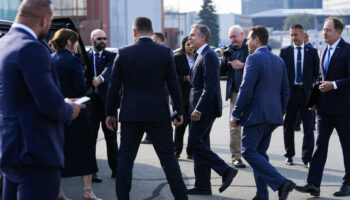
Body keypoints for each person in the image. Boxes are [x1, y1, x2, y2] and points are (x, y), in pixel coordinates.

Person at [0, 0, 84, 199]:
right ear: (44, 20)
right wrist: (69, 108)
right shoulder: (31, 48)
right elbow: (51, 105)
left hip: (10, 149)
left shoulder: (4, 43)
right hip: (35, 153)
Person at [105, 16, 188, 200]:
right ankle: (181, 197)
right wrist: (179, 111)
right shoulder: (165, 53)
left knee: (125, 160)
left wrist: (110, 112)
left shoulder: (123, 53)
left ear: (134, 32)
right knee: (168, 158)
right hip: (158, 114)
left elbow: (113, 86)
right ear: (152, 32)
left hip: (131, 114)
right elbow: (174, 85)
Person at [231, 25, 295, 200]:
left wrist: (236, 114)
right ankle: (261, 194)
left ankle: (282, 183)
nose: (246, 42)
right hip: (273, 116)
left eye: (249, 39)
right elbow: (286, 91)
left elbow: (245, 89)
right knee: (260, 153)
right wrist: (279, 112)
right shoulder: (278, 60)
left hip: (256, 116)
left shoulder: (253, 59)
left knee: (248, 152)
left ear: (256, 40)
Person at [295, 17, 350, 197]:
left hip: (344, 110)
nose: (324, 33)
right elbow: (320, 79)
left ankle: (347, 184)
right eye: (324, 30)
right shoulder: (323, 50)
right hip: (324, 110)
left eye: (328, 30)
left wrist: (334, 84)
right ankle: (313, 184)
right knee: (319, 147)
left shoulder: (348, 50)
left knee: (347, 147)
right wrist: (314, 101)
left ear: (339, 32)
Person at [49, 28, 101, 200]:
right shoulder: (72, 60)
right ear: (70, 41)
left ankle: (58, 191)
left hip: (56, 111)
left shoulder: (49, 58)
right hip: (76, 110)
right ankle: (87, 191)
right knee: (85, 149)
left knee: (58, 151)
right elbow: (80, 88)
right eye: (76, 41)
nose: (78, 45)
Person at [186, 24, 237, 195]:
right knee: (201, 144)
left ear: (203, 37)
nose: (189, 38)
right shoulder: (201, 55)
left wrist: (198, 109)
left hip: (204, 109)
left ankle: (225, 170)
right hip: (200, 108)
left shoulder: (208, 55)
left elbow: (210, 87)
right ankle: (203, 185)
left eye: (193, 35)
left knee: (194, 143)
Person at [279, 24, 319, 167]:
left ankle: (307, 158)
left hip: (307, 95)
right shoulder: (285, 52)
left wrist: (315, 96)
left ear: (303, 35)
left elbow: (317, 75)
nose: (294, 37)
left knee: (308, 127)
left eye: (296, 34)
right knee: (288, 125)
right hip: (290, 94)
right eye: (292, 35)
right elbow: (280, 75)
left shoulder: (312, 52)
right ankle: (289, 155)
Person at [87, 29, 118, 182]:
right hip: (91, 105)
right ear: (92, 40)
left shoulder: (111, 55)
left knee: (111, 138)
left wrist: (100, 78)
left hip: (108, 104)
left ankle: (116, 169)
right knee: (90, 139)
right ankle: (92, 172)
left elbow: (109, 70)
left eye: (105, 38)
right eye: (99, 38)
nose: (103, 41)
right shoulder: (84, 56)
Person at [220, 25, 249, 168]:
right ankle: (236, 157)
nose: (232, 40)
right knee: (234, 126)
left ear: (242, 35)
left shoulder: (250, 47)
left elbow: (258, 66)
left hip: (250, 92)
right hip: (234, 93)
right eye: (230, 37)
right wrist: (223, 58)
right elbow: (221, 72)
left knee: (251, 124)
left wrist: (242, 65)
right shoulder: (229, 49)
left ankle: (253, 155)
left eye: (234, 37)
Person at [140, 32, 167, 144]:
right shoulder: (158, 51)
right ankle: (150, 136)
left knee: (159, 114)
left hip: (162, 89)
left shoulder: (165, 52)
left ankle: (153, 136)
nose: (152, 42)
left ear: (160, 40)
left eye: (154, 40)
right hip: (154, 89)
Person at [173, 36, 194, 159]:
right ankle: (176, 151)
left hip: (195, 98)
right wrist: (184, 78)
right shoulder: (177, 58)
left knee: (194, 127)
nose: (190, 47)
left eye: (192, 44)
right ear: (183, 46)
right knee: (180, 126)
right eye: (188, 44)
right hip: (181, 97)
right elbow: (172, 77)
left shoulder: (199, 57)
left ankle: (191, 152)